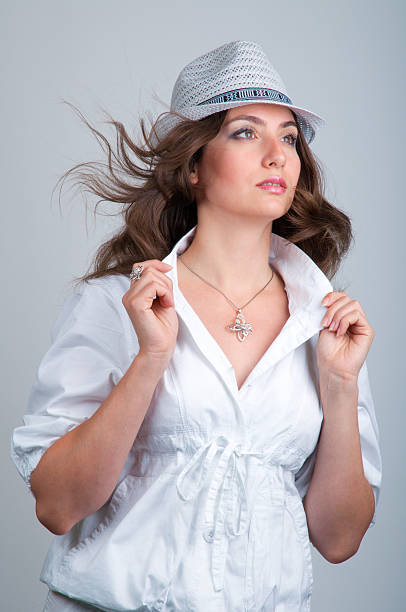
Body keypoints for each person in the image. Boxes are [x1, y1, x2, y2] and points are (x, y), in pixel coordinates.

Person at [10, 40, 382, 612]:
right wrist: (151, 359)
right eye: (244, 131)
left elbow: (339, 539)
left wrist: (340, 388)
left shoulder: (323, 322)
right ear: (191, 166)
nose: (277, 154)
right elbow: (56, 506)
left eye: (288, 136)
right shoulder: (117, 305)